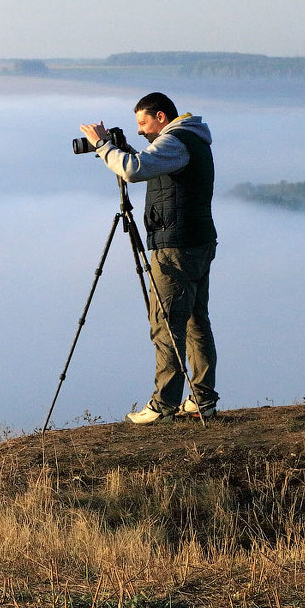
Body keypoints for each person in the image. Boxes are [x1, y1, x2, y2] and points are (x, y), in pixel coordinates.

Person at [79, 92, 218, 424]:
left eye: (143, 123)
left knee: (166, 323)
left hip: (175, 248)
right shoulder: (192, 139)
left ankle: (163, 406)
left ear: (160, 116)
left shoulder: (175, 141)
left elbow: (133, 170)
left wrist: (102, 146)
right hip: (197, 241)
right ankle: (203, 400)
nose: (140, 131)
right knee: (196, 321)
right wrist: (119, 150)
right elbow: (148, 165)